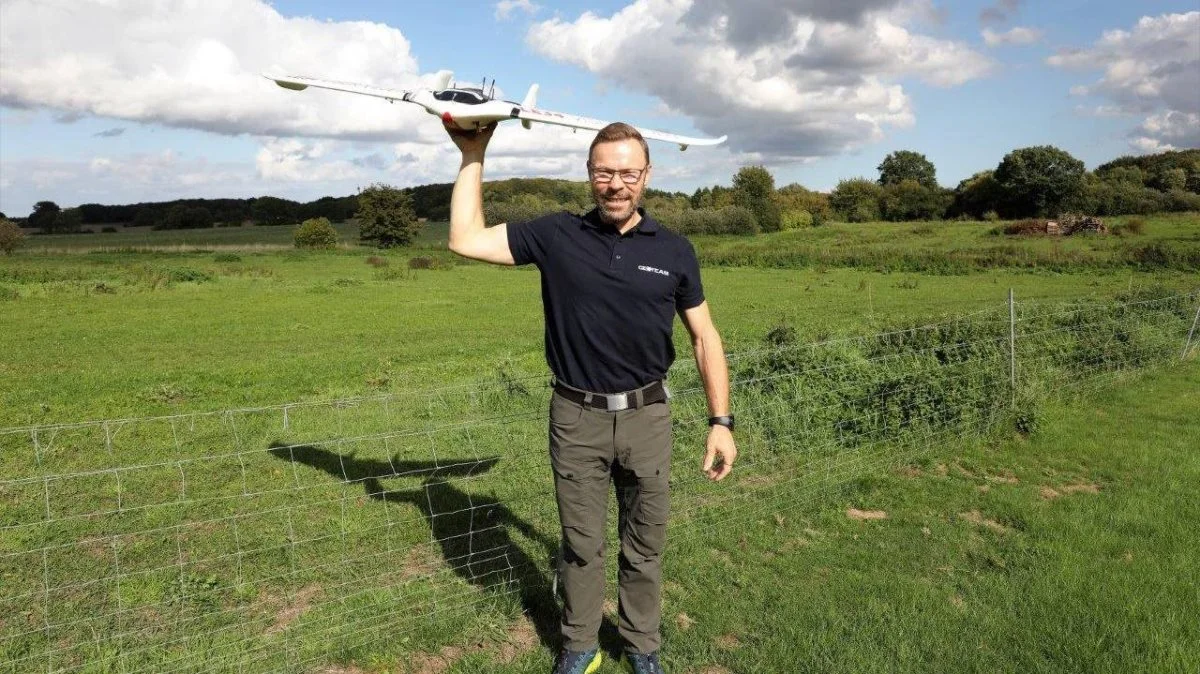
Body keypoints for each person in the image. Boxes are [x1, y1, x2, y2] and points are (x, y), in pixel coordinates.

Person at [444, 120, 737, 674]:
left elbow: (706, 337)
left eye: (628, 172)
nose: (616, 184)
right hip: (576, 416)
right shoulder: (557, 236)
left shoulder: (675, 251)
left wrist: (720, 420)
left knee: (644, 544)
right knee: (582, 545)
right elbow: (464, 238)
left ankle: (641, 645)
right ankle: (580, 644)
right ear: (589, 174)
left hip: (648, 416)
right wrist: (474, 151)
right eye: (605, 172)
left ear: (647, 175)